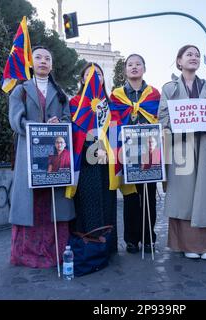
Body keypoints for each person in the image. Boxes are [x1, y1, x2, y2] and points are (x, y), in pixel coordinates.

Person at [8, 46, 75, 268]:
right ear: (31, 63)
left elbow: (68, 119)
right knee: (31, 201)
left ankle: (56, 253)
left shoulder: (61, 92)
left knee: (53, 200)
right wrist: (37, 128)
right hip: (29, 153)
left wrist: (60, 125)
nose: (43, 61)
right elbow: (16, 120)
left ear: (52, 65)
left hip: (56, 154)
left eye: (47, 58)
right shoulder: (21, 90)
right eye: (38, 57)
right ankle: (27, 255)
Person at [158, 45, 206, 260]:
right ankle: (187, 244)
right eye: (189, 55)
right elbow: (163, 118)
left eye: (197, 55)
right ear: (179, 61)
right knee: (183, 196)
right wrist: (177, 126)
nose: (194, 58)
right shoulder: (169, 88)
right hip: (181, 147)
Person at [110, 54, 161, 254]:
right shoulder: (117, 95)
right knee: (131, 197)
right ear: (125, 71)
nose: (134, 67)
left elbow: (159, 117)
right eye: (130, 64)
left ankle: (149, 238)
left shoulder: (154, 94)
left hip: (150, 150)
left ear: (144, 68)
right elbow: (112, 121)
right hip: (127, 151)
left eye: (138, 64)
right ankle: (131, 239)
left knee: (149, 195)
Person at [67, 62, 118, 254]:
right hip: (85, 162)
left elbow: (115, 131)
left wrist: (107, 149)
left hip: (107, 162)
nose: (94, 78)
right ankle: (88, 248)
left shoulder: (110, 104)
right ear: (82, 79)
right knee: (87, 204)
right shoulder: (74, 103)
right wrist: (92, 148)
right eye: (89, 74)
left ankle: (108, 247)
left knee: (107, 203)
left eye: (98, 74)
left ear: (103, 79)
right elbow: (73, 131)